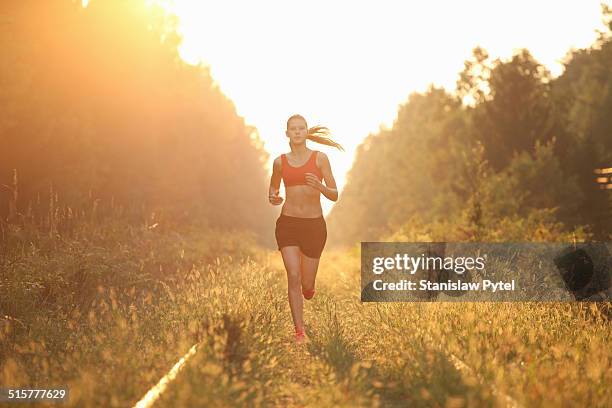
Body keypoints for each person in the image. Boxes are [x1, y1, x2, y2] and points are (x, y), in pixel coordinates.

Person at [268, 114, 344, 343]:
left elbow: (334, 194)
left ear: (306, 131)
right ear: (287, 133)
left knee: (306, 284)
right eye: (294, 128)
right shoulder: (280, 162)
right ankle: (299, 331)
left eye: (302, 128)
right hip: (288, 223)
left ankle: (309, 289)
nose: (298, 132)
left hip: (313, 225)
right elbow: (272, 190)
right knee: (293, 274)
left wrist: (319, 185)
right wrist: (274, 197)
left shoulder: (320, 159)